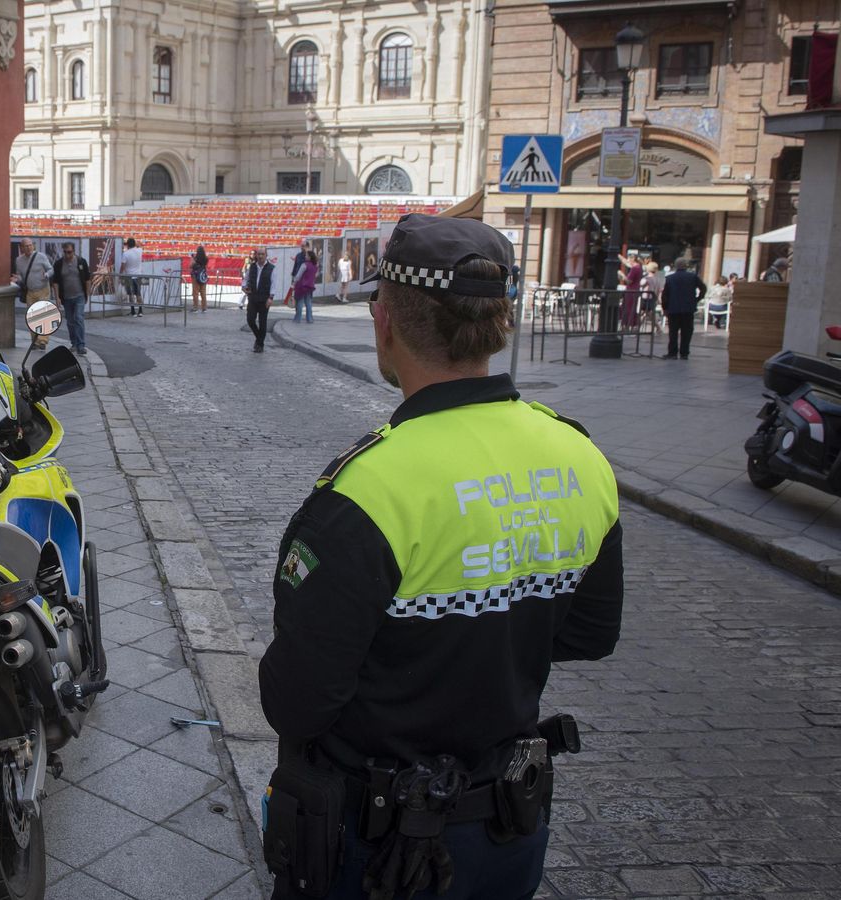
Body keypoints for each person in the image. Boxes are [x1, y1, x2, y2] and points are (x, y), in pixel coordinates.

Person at [259, 214, 624, 900]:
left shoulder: (366, 490)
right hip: (507, 832)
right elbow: (588, 634)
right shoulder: (580, 456)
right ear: (501, 322)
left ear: (386, 320)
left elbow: (297, 702)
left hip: (373, 850)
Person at [662, 258, 707, 360]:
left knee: (673, 331)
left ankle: (672, 353)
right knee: (687, 331)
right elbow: (703, 288)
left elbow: (665, 295)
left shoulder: (670, 278)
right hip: (688, 308)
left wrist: (665, 307)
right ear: (686, 266)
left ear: (676, 266)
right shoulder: (693, 277)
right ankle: (684, 353)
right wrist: (697, 299)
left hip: (673, 308)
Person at [52, 241, 92, 355]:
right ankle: (74, 342)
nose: (67, 255)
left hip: (79, 295)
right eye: (65, 252)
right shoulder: (59, 264)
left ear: (74, 251)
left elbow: (87, 279)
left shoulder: (81, 262)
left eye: (69, 252)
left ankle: (81, 345)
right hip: (66, 297)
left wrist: (87, 294)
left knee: (78, 318)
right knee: (70, 321)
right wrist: (57, 297)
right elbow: (55, 282)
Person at [13, 238, 54, 348]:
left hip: (43, 289)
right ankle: (34, 341)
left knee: (43, 314)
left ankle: (42, 341)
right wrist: (17, 279)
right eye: (26, 246)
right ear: (21, 248)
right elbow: (20, 275)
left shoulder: (41, 256)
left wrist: (46, 275)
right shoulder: (19, 260)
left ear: (33, 246)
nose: (29, 248)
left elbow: (51, 270)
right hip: (30, 291)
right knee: (32, 316)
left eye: (30, 245)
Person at [244, 248, 275, 353]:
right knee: (250, 320)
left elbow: (274, 284)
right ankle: (259, 339)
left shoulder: (271, 268)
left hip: (264, 299)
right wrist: (244, 286)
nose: (260, 256)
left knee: (263, 322)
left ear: (266, 255)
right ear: (256, 255)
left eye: (262, 254)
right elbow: (246, 279)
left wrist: (271, 298)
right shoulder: (252, 267)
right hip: (253, 298)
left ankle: (259, 345)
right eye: (259, 254)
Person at [291, 243, 319, 324]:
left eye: (306, 256)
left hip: (301, 285)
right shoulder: (315, 265)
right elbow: (315, 274)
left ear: (309, 257)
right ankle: (309, 319)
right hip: (310, 286)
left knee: (299, 302)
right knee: (308, 302)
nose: (305, 257)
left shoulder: (304, 265)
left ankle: (297, 319)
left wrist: (294, 282)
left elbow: (298, 275)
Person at [119, 237, 144, 316]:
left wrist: (120, 275)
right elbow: (140, 244)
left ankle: (133, 311)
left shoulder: (126, 254)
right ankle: (140, 311)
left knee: (130, 294)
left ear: (127, 245)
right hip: (138, 275)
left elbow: (122, 266)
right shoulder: (139, 251)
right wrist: (135, 243)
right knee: (138, 294)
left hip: (129, 276)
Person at [191, 245, 210, 313]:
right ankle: (204, 308)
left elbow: (191, 266)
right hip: (203, 276)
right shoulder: (206, 259)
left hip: (195, 276)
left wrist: (192, 258)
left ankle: (195, 308)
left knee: (195, 293)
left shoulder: (195, 258)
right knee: (203, 292)